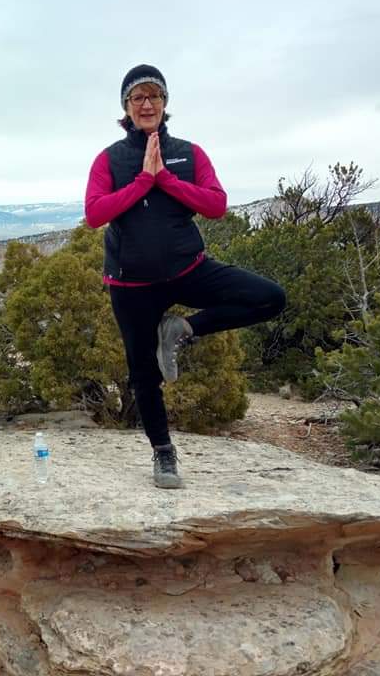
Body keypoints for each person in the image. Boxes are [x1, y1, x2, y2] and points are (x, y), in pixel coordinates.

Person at [84, 64, 286, 489]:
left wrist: (167, 179)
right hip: (130, 284)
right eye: (137, 97)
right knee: (144, 374)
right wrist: (144, 180)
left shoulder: (190, 153)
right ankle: (163, 453)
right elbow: (95, 213)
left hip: (187, 269)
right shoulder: (110, 159)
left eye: (154, 96)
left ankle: (184, 328)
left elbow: (216, 205)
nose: (146, 104)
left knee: (270, 297)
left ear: (165, 104)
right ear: (125, 106)